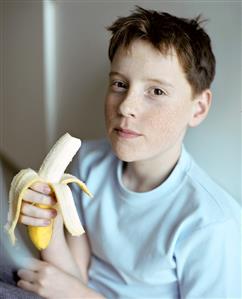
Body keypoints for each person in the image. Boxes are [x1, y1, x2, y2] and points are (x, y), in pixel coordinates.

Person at [16, 6, 241, 299]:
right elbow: (74, 277)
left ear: (198, 108)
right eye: (120, 84)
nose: (125, 107)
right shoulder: (87, 164)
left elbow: (75, 291)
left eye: (156, 91)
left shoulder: (211, 223)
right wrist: (51, 226)